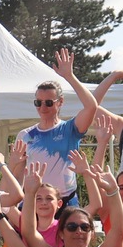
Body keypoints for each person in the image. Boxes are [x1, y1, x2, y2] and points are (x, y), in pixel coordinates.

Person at [12, 49, 100, 204]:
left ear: (60, 102)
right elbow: (18, 174)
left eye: (49, 103)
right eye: (38, 102)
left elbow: (91, 107)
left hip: (66, 201)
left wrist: (69, 77)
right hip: (37, 202)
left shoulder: (70, 129)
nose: (42, 107)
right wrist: (18, 204)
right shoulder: (25, 135)